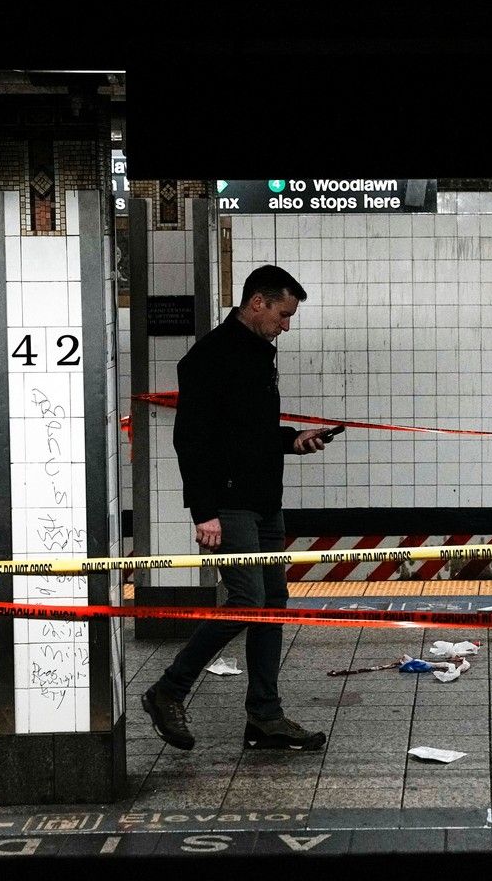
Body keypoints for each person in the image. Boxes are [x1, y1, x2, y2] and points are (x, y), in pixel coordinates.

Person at [142, 265, 332, 752]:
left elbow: (248, 434)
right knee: (248, 601)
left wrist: (293, 441)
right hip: (228, 504)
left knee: (272, 605)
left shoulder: (257, 355)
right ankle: (169, 689)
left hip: (264, 501)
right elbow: (193, 439)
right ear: (257, 303)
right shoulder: (209, 357)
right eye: (283, 315)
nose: (286, 325)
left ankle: (265, 717)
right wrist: (203, 510)